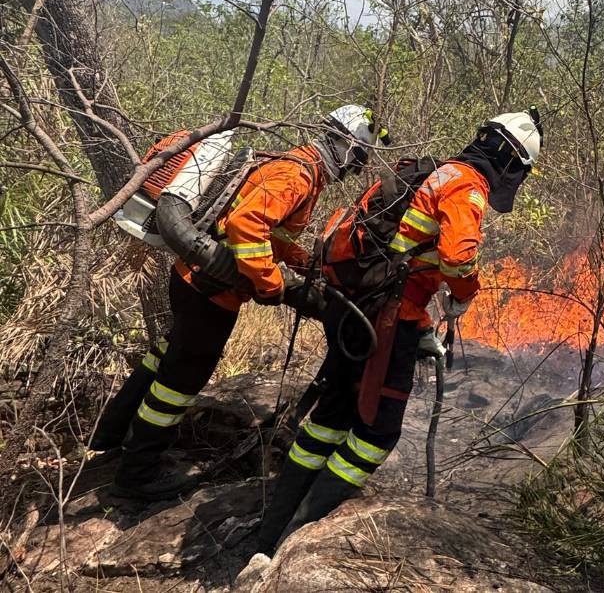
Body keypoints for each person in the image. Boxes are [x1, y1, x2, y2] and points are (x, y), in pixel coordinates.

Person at [256, 109, 543, 555]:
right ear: (510, 162)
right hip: (385, 319)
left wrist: (425, 323)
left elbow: (397, 258)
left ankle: (269, 534)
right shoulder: (466, 186)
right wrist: (464, 294)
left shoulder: (429, 172)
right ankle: (299, 539)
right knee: (378, 432)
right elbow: (457, 258)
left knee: (331, 419)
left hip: (352, 307)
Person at [91, 105, 391, 501]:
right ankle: (137, 475)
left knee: (168, 355)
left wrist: (304, 262)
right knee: (179, 384)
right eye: (357, 158)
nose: (354, 168)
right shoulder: (296, 173)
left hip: (194, 280)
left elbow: (270, 233)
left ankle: (113, 431)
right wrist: (270, 283)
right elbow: (245, 226)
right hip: (211, 290)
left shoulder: (303, 169)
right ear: (344, 144)